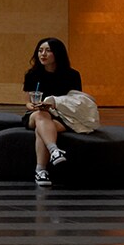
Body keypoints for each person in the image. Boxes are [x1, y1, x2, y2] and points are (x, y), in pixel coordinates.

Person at [23, 36, 86, 185]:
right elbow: (27, 102)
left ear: (58, 53)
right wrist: (33, 106)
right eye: (40, 51)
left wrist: (53, 105)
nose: (42, 54)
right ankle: (54, 151)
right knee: (41, 115)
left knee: (42, 129)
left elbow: (75, 101)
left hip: (62, 116)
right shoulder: (32, 74)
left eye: (48, 51)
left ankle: (41, 171)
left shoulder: (72, 75)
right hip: (36, 114)